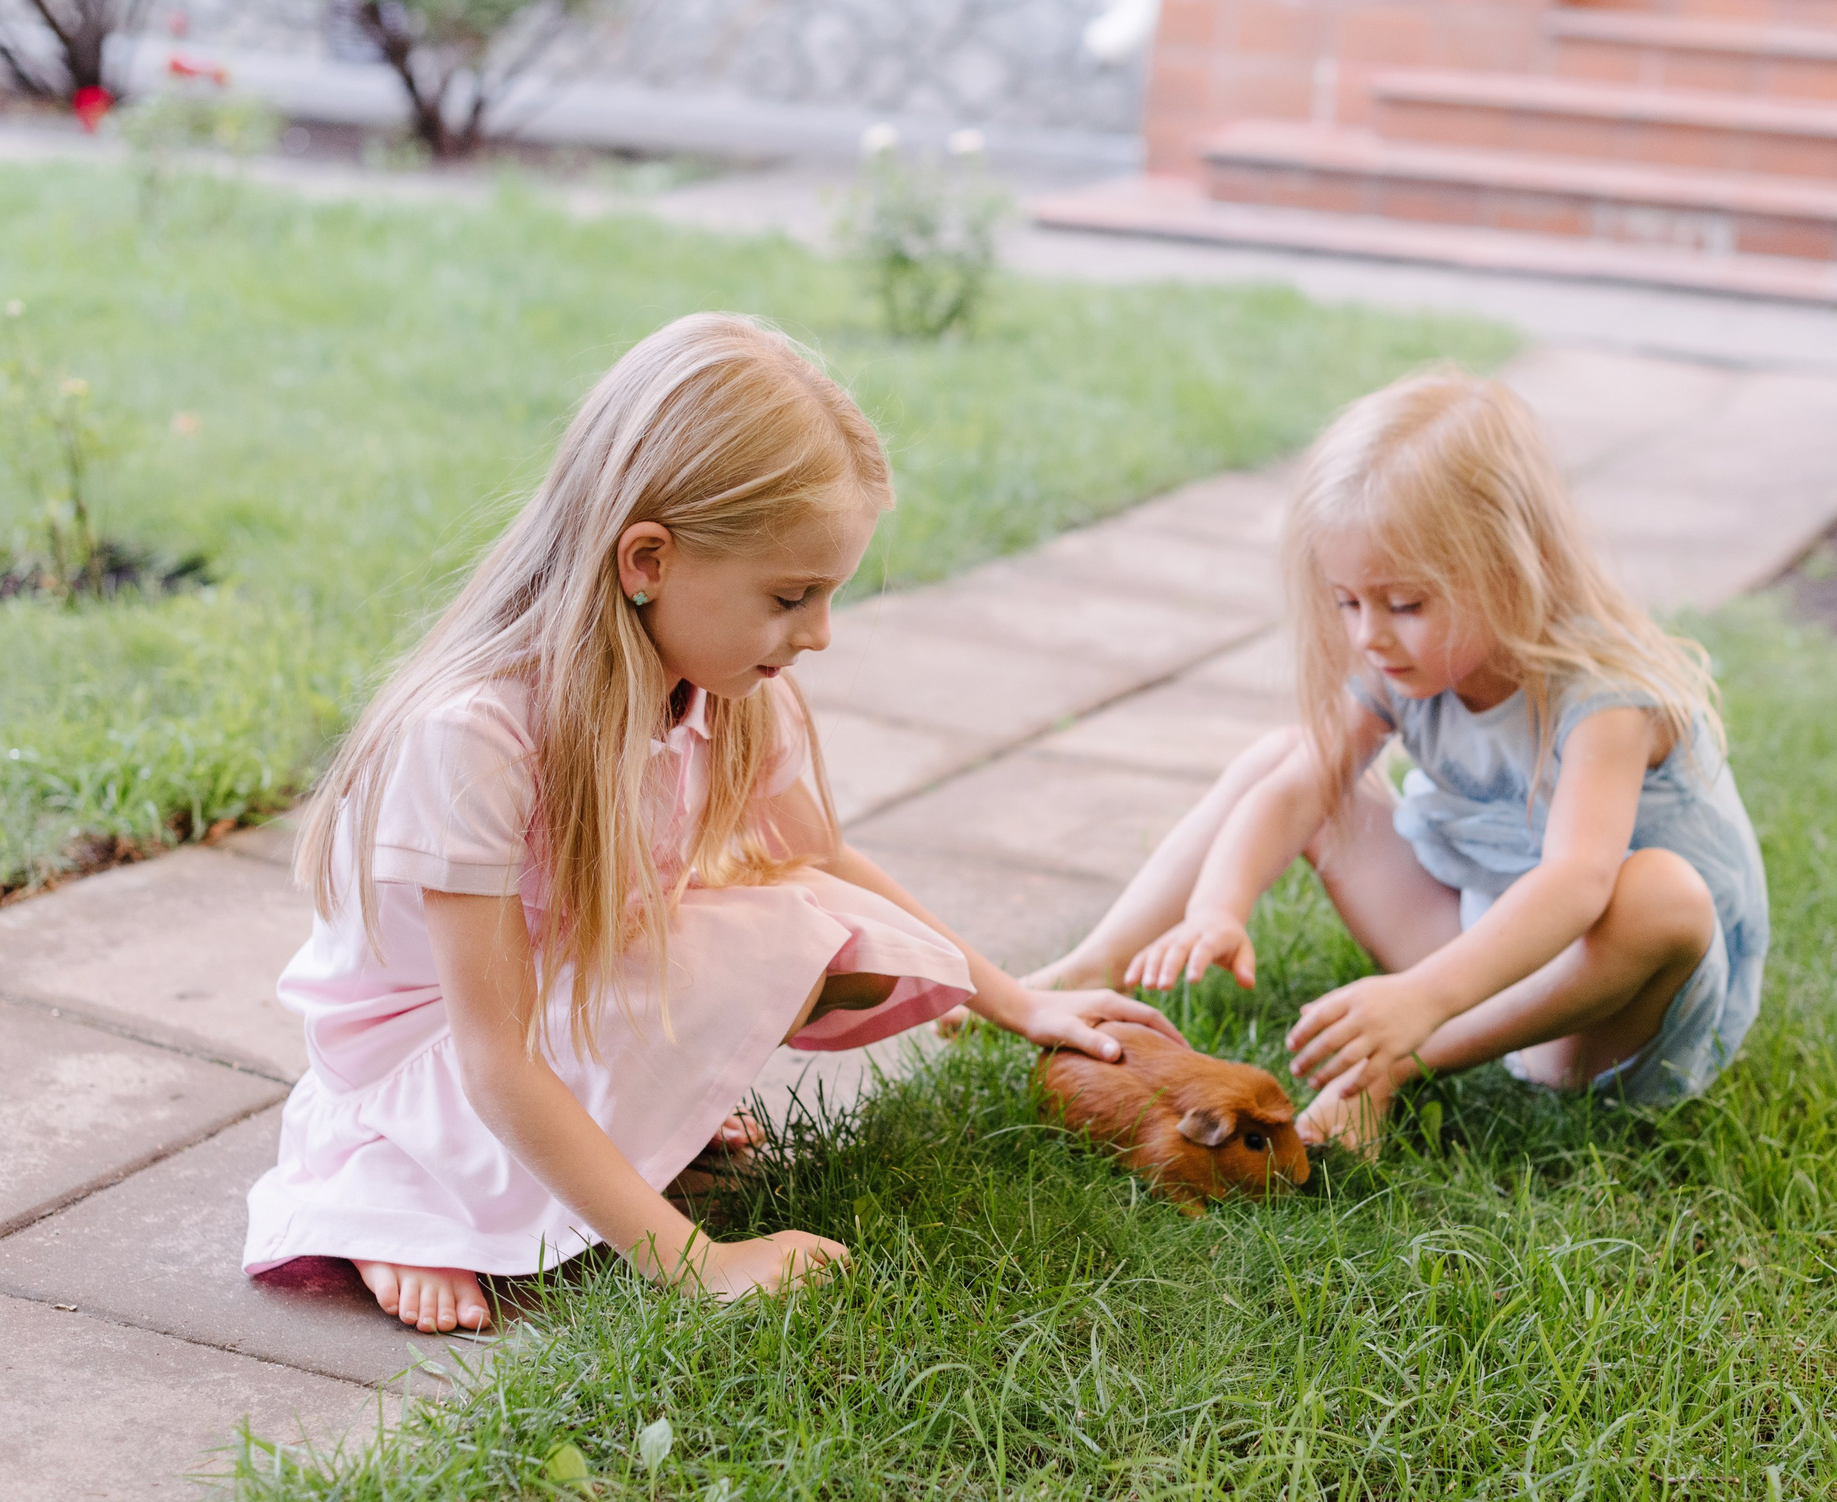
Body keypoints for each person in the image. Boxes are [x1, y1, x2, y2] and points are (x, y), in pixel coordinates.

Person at [243, 312, 1175, 1331]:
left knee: (834, 924)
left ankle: (610, 1145)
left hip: (555, 999)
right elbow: (492, 1054)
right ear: (646, 559)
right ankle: (395, 1199)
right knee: (784, 928)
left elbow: (819, 855)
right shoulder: (474, 736)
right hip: (431, 1066)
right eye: (790, 594)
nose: (817, 633)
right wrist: (697, 1262)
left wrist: (1019, 1001)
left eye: (828, 595)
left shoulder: (725, 687)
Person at [1025, 369, 1768, 1149]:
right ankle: (1091, 968)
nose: (1368, 635)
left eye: (1405, 603)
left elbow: (1577, 886)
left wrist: (1418, 998)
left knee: (1662, 893)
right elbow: (1296, 791)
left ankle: (1393, 1061)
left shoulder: (1606, 697)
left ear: (1511, 568)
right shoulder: (1402, 661)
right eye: (1348, 601)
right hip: (1486, 966)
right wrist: (1220, 902)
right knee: (1289, 755)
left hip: (1605, 1019)